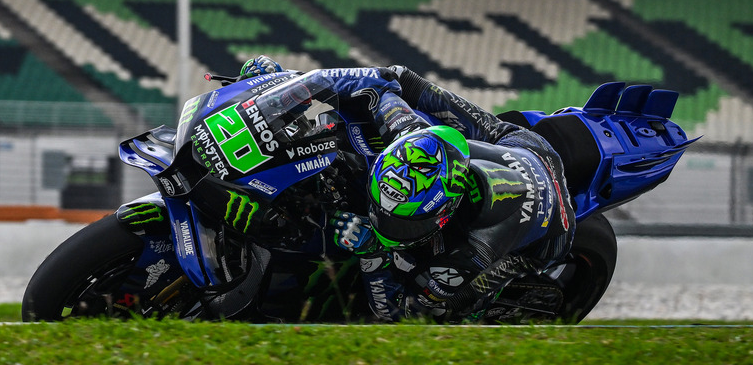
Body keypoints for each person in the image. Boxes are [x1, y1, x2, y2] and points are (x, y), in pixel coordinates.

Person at [236, 56, 576, 322]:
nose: (386, 225)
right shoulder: (403, 128)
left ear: (443, 215)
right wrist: (283, 87)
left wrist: (371, 250)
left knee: (447, 311)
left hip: (551, 229)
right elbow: (383, 80)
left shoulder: (475, 249)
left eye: (403, 223)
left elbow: (406, 314)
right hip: (517, 146)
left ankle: (481, 310)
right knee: (405, 83)